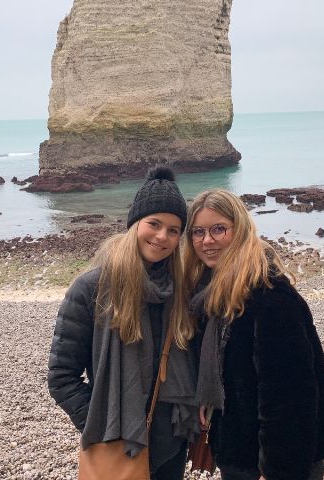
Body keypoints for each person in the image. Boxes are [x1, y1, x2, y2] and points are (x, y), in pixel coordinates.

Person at [47, 166, 200, 480]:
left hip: (171, 444)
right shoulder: (93, 289)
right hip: (118, 444)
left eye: (174, 230)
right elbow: (62, 377)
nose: (163, 237)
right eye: (154, 224)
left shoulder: (181, 290)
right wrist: (103, 424)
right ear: (135, 224)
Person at [185, 189, 324, 480]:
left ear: (241, 230)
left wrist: (275, 470)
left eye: (218, 229)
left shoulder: (270, 297)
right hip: (241, 450)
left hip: (273, 462)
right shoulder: (215, 292)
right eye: (198, 231)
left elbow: (291, 397)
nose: (207, 240)